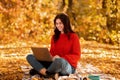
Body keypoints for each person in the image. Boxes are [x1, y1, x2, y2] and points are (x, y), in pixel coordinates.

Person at [26, 13, 81, 78]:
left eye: (60, 23)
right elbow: (52, 52)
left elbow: (77, 55)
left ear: (66, 23)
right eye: (56, 23)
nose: (58, 25)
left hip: (67, 66)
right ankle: (48, 73)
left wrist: (61, 58)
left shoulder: (73, 37)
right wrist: (47, 56)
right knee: (30, 56)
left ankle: (41, 71)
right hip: (53, 64)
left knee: (60, 61)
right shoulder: (54, 37)